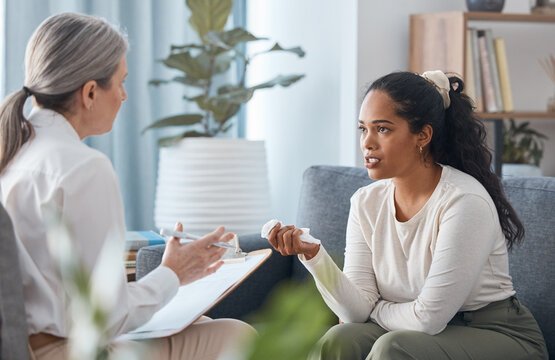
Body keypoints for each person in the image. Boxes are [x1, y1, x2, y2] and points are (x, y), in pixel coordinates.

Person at [0, 12, 255, 360]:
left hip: (33, 347)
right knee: (237, 336)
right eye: (120, 83)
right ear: (90, 92)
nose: (123, 96)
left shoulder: (14, 152)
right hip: (68, 352)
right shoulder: (84, 168)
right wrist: (174, 272)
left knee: (202, 325)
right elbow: (106, 317)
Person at [266, 70, 548, 359]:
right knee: (341, 337)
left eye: (383, 129)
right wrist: (314, 257)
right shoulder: (366, 202)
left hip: (497, 335)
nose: (367, 143)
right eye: (363, 129)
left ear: (423, 135)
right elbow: (354, 313)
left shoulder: (464, 201)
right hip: (415, 329)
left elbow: (427, 319)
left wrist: (376, 310)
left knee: (394, 347)